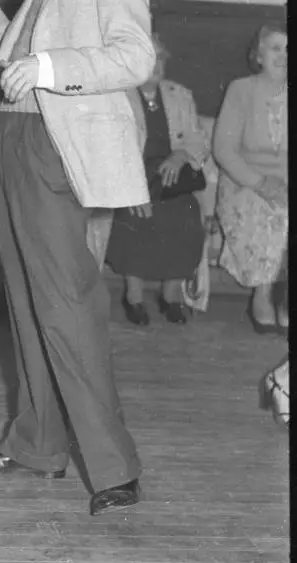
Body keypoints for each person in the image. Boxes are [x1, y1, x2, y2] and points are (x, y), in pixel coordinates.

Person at [0, 0, 156, 517]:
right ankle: (37, 444)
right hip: (14, 138)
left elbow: (132, 56)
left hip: (53, 145)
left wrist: (44, 66)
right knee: (24, 302)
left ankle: (113, 469)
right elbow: (14, 60)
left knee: (67, 306)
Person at [105, 34, 208, 325]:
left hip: (173, 177)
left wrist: (181, 156)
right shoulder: (118, 97)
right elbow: (113, 149)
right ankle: (134, 297)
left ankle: (171, 295)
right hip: (133, 177)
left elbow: (199, 141)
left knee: (186, 215)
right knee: (135, 216)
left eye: (161, 58)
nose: (158, 65)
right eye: (151, 58)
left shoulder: (180, 95)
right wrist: (134, 187)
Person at [213, 23, 288, 334]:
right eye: (275, 48)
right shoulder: (241, 89)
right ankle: (263, 293)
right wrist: (261, 184)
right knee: (273, 214)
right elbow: (223, 150)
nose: (283, 55)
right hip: (244, 180)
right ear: (258, 55)